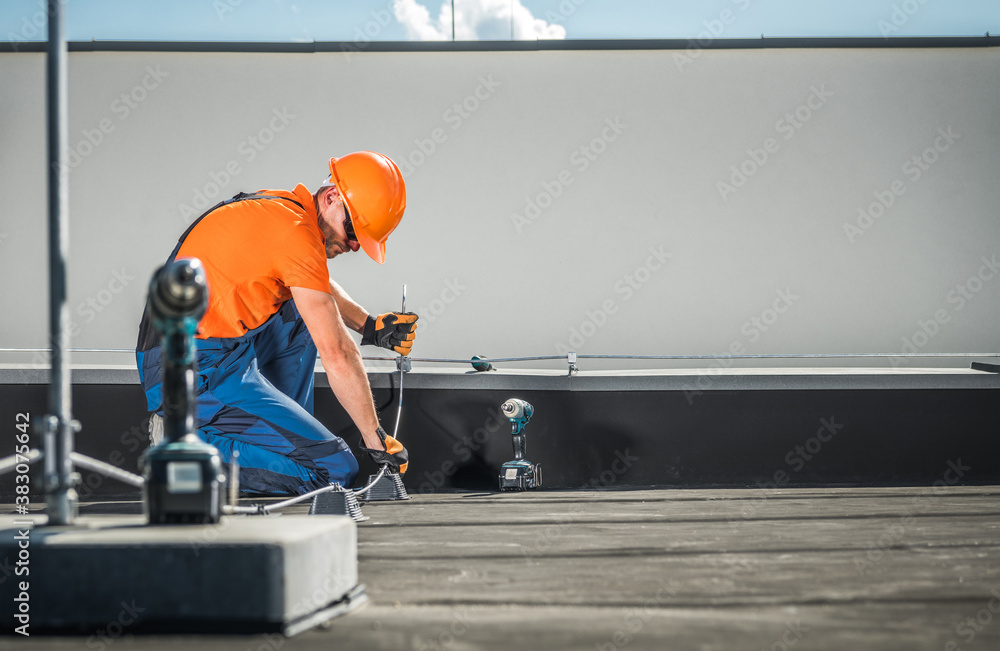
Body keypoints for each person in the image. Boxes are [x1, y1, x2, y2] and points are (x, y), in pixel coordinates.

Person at [136, 151, 416, 495]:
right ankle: (183, 450)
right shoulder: (295, 234)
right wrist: (376, 439)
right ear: (331, 198)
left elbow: (314, 286)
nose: (355, 245)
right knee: (333, 471)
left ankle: (282, 441)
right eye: (354, 230)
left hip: (218, 348)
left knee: (302, 312)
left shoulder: (283, 211)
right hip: (190, 369)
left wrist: (370, 326)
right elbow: (338, 353)